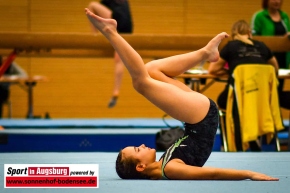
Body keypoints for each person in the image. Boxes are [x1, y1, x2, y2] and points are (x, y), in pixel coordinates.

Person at [85, 8, 279, 181]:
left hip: (197, 117)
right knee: (140, 83)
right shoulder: (170, 169)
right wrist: (249, 174)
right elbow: (212, 174)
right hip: (201, 118)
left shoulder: (163, 164)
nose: (142, 144)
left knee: (152, 70)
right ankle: (110, 32)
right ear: (140, 166)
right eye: (137, 149)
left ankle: (206, 53)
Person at [208, 20, 279, 151]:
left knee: (221, 102)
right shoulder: (262, 46)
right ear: (249, 32)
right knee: (250, 105)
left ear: (233, 34)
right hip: (261, 100)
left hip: (239, 98)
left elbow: (212, 70)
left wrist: (233, 71)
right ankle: (254, 140)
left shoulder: (231, 46)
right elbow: (274, 69)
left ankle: (228, 143)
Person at [88, 0, 133, 108]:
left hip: (116, 21)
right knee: (118, 60)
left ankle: (95, 35)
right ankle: (116, 91)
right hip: (127, 29)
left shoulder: (107, 2)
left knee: (91, 6)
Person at [251, 0, 290, 110]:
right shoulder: (259, 16)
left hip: (282, 59)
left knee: (277, 91)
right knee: (265, 92)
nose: (277, 1)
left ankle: (275, 121)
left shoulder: (285, 17)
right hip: (265, 60)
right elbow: (253, 38)